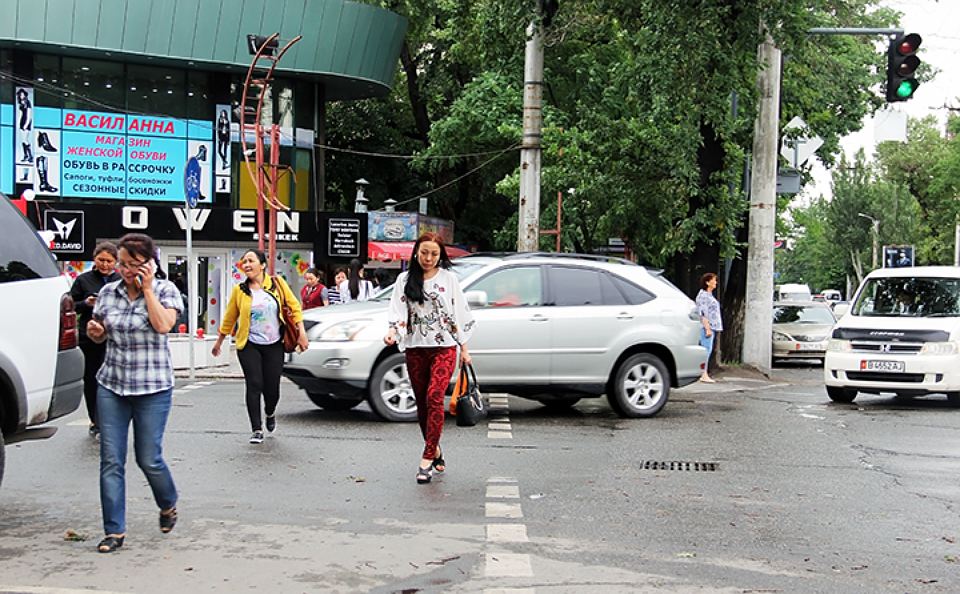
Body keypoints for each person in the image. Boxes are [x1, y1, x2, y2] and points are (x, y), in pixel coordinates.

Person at [85, 233, 183, 553]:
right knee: (110, 460)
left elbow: (163, 325)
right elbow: (98, 334)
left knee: (148, 458)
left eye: (134, 264)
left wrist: (148, 289)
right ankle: (114, 531)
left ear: (150, 263)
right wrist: (95, 332)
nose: (127, 271)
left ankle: (168, 503)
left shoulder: (166, 290)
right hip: (112, 384)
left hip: (153, 388)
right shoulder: (107, 292)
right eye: (123, 264)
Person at [384, 232, 475, 484]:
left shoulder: (449, 279)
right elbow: (398, 311)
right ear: (416, 252)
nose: (428, 258)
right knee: (422, 405)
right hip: (415, 348)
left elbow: (459, 314)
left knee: (435, 396)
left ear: (440, 255)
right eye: (424, 252)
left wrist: (464, 348)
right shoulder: (405, 279)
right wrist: (392, 332)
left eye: (434, 254)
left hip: (444, 348)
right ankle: (435, 449)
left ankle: (426, 459)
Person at [212, 249, 308, 444]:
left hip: (274, 344)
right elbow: (230, 317)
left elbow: (294, 307)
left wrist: (301, 333)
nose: (246, 264)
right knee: (254, 384)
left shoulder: (277, 284)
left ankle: (270, 412)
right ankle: (256, 429)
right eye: (244, 261)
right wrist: (219, 341)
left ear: (262, 265)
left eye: (251, 261)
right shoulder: (240, 290)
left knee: (272, 389)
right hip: (249, 344)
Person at [70, 242, 121, 438]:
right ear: (94, 259)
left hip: (115, 337)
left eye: (109, 261)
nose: (105, 265)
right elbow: (71, 305)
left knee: (113, 380)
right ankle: (96, 420)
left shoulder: (121, 281)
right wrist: (86, 303)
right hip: (89, 337)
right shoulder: (84, 280)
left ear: (115, 262)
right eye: (101, 260)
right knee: (92, 380)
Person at [696, 272, 722, 383]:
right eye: (713, 280)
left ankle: (703, 373)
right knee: (705, 350)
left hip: (711, 326)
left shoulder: (709, 295)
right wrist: (707, 328)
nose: (715, 282)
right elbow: (703, 313)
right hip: (707, 326)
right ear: (707, 282)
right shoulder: (703, 296)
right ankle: (703, 374)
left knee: (708, 349)